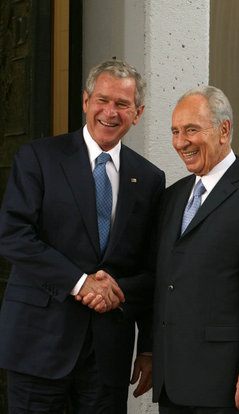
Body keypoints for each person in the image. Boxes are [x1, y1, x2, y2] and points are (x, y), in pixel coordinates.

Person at [0, 60, 165, 413]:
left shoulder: (149, 178)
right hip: (38, 345)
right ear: (86, 101)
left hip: (108, 354)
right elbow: (14, 236)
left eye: (122, 104)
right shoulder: (39, 158)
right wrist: (80, 283)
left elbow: (153, 268)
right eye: (102, 100)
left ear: (137, 113)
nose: (110, 112)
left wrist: (149, 348)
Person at [153, 86, 239, 414]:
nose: (180, 142)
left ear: (224, 130)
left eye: (191, 130)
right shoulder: (173, 197)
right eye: (175, 131)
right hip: (173, 382)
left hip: (227, 383)